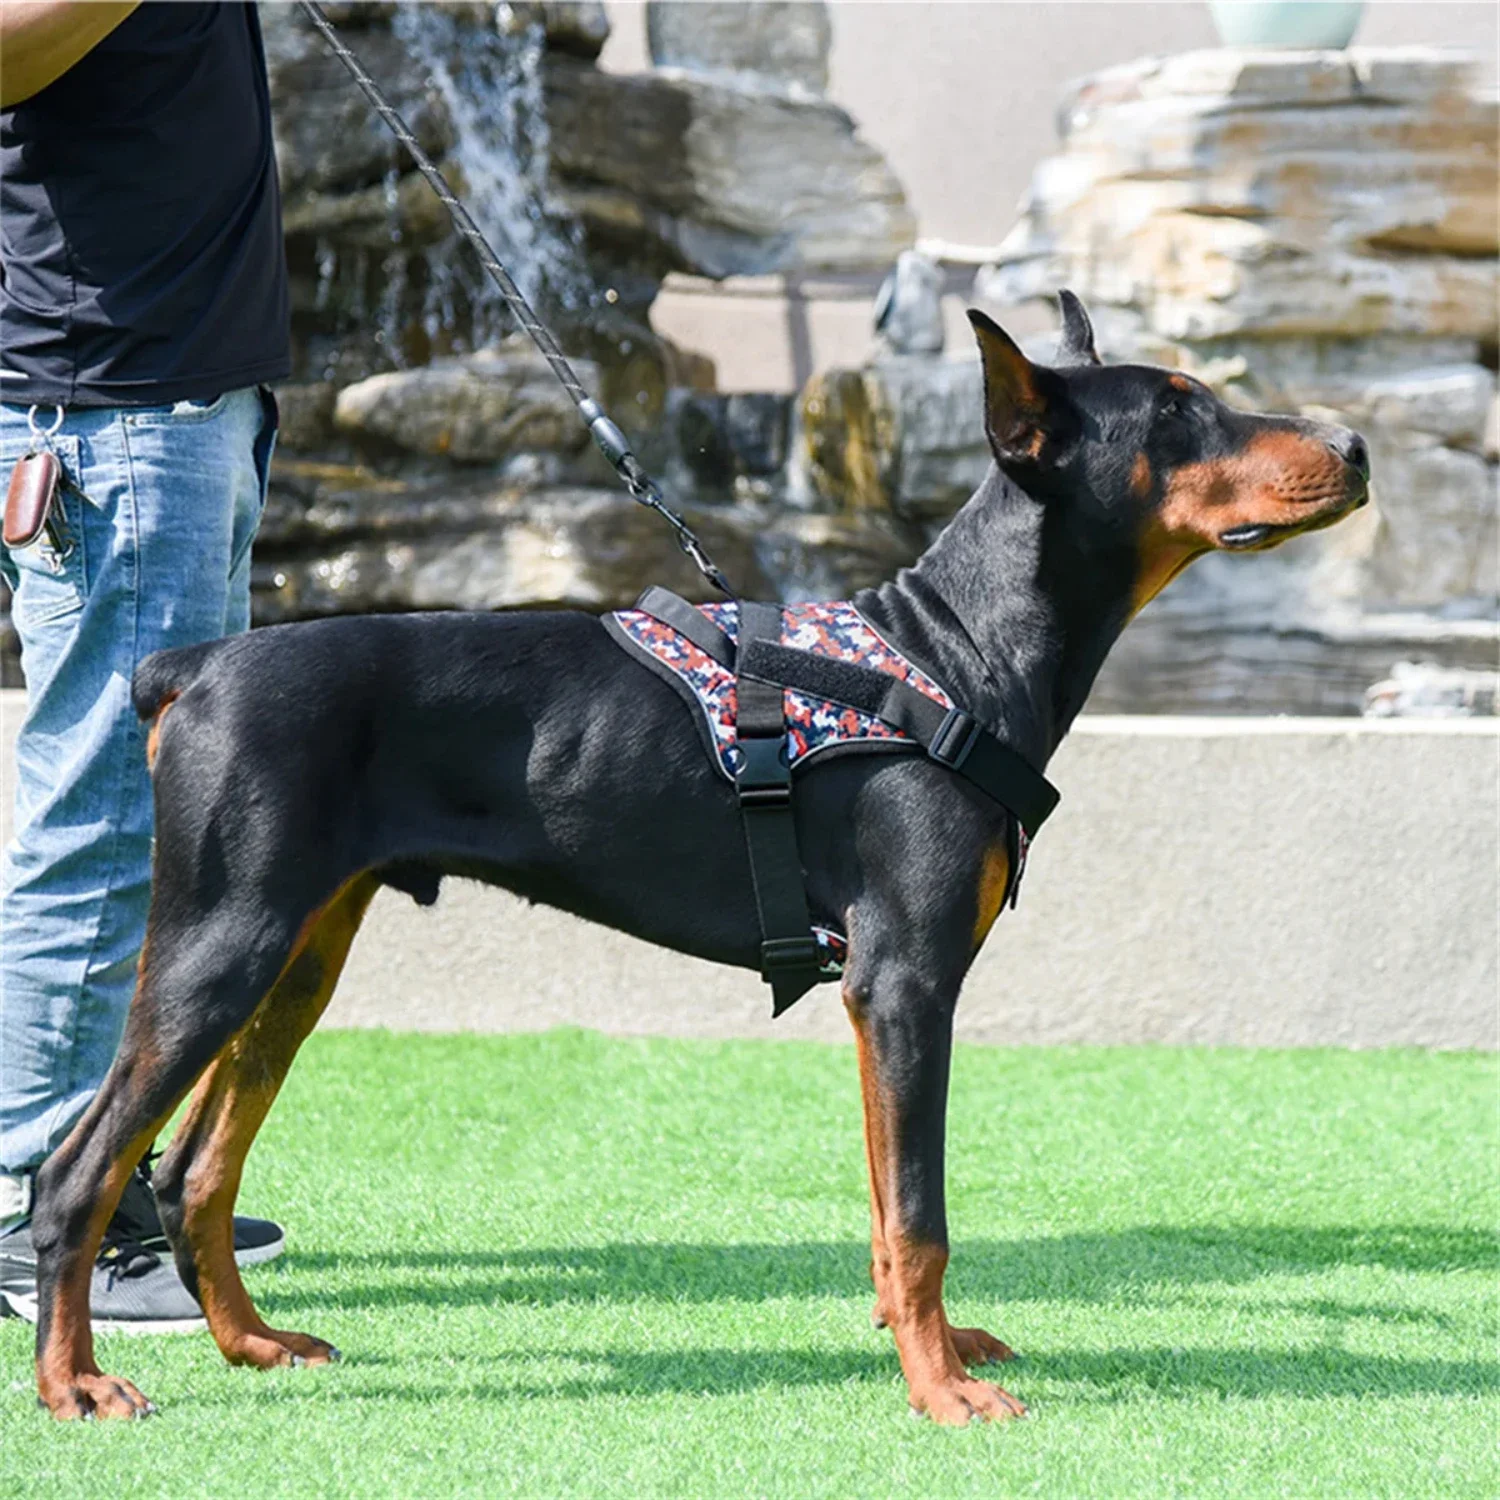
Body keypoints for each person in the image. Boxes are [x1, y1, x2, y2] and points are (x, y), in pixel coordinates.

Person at [0, 0, 290, 1327]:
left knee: (165, 827)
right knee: (108, 821)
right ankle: (37, 1216)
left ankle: (109, 1182)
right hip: (106, 412)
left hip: (178, 402)